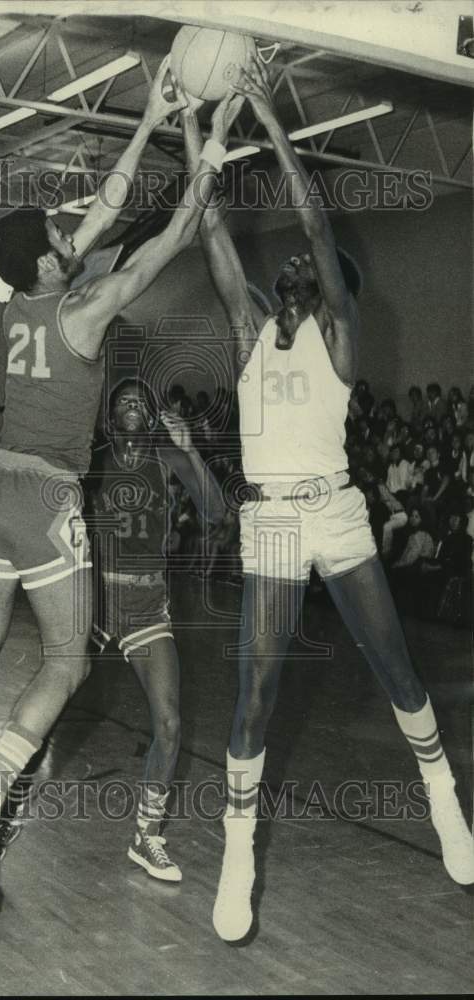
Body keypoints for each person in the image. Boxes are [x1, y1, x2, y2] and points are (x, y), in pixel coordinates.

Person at [0, 59, 243, 906]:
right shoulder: (83, 309)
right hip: (47, 495)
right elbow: (161, 243)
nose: (71, 235)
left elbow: (101, 213)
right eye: (58, 237)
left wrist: (152, 117)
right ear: (49, 261)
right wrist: (204, 171)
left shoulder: (26, 301)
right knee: (65, 664)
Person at [187, 55, 474, 942]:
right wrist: (197, 131)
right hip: (272, 517)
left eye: (314, 281)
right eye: (294, 281)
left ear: (330, 296)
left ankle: (444, 801)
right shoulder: (246, 335)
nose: (298, 284)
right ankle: (238, 853)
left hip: (338, 512)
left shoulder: (341, 343)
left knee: (396, 669)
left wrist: (273, 124)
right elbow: (212, 234)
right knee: (256, 691)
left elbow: (313, 223)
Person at [84, 377, 224, 880]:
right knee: (47, 712)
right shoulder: (93, 459)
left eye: (140, 403)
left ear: (154, 415)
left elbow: (216, 511)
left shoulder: (169, 459)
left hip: (147, 606)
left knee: (169, 723)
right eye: (122, 401)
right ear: (109, 414)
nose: (131, 408)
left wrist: (192, 450)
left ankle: (148, 836)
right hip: (96, 600)